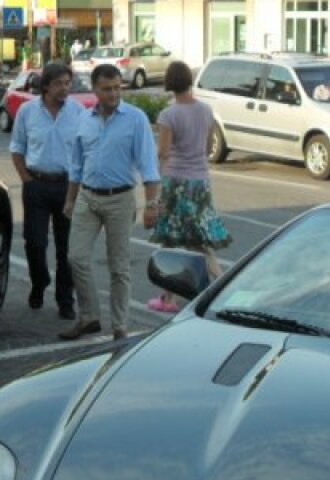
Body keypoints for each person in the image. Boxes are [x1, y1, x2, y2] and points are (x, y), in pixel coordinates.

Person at [60, 64, 161, 341]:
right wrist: (70, 199)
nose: (114, 93)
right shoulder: (84, 119)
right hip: (87, 197)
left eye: (117, 87)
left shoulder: (135, 119)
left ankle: (119, 326)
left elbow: (149, 166)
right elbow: (76, 165)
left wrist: (152, 204)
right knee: (76, 258)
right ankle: (90, 316)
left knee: (119, 266)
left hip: (121, 199)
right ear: (95, 90)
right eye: (107, 89)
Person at [147, 61, 231, 313]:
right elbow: (206, 148)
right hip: (201, 181)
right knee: (198, 240)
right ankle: (217, 289)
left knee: (173, 239)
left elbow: (163, 152)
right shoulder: (206, 110)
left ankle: (171, 298)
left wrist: (155, 186)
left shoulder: (169, 115)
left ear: (170, 82)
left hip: (177, 180)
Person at [10, 60, 85, 320]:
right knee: (35, 241)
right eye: (58, 84)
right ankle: (39, 282)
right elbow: (17, 148)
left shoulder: (78, 112)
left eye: (67, 83)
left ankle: (65, 300)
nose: (65, 88)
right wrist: (27, 179)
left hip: (67, 186)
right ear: (45, 86)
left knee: (67, 248)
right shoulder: (28, 111)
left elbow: (86, 150)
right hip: (37, 184)